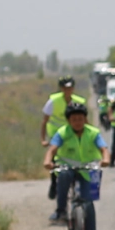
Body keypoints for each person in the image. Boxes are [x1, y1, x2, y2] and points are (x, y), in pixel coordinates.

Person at [42, 101, 112, 230]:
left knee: (88, 203)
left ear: (85, 119)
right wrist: (48, 161)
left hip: (88, 170)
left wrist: (105, 159)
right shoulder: (62, 132)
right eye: (74, 120)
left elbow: (103, 148)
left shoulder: (93, 132)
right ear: (68, 120)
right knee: (64, 176)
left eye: (80, 119)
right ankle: (61, 210)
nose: (78, 122)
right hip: (67, 167)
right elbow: (52, 149)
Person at [40, 76, 86, 204]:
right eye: (65, 88)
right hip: (56, 134)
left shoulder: (79, 101)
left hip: (73, 133)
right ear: (61, 88)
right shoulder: (53, 101)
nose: (68, 90)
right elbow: (44, 121)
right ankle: (54, 183)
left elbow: (85, 122)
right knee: (55, 161)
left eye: (70, 88)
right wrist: (43, 139)